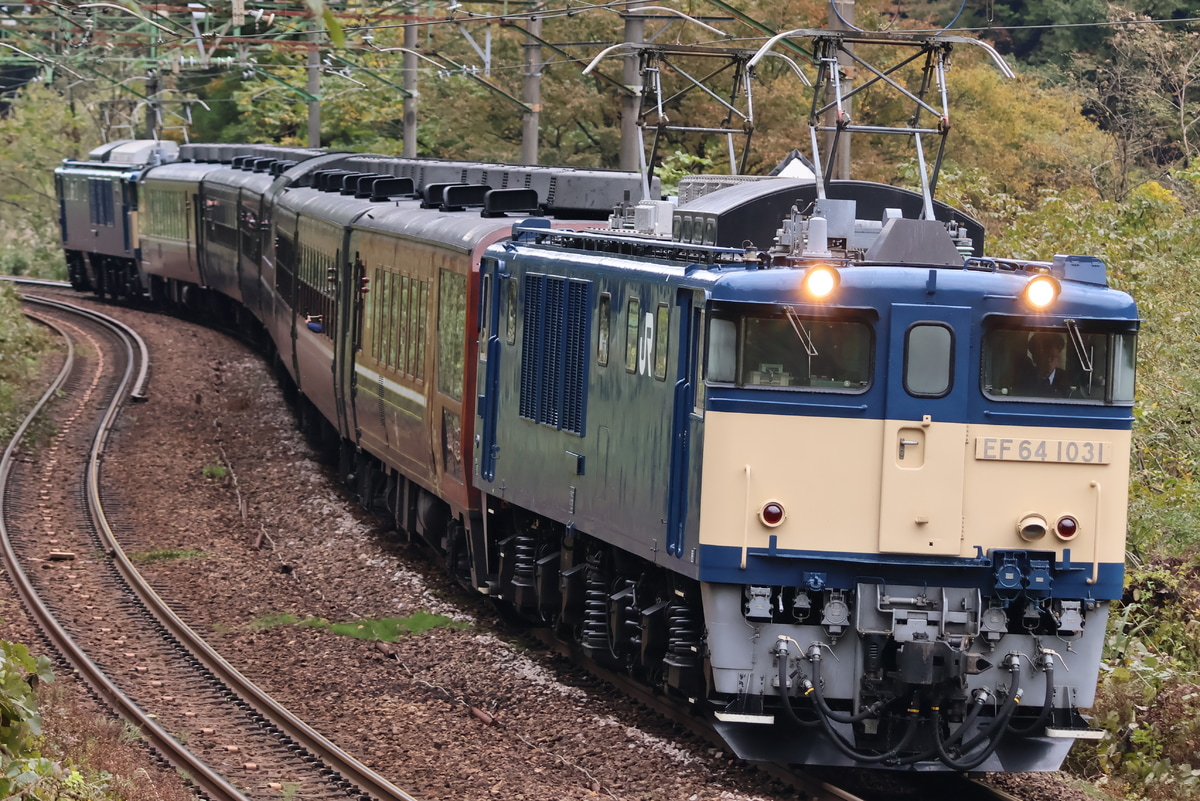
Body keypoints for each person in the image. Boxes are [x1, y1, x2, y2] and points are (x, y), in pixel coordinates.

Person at [1017, 332, 1071, 397]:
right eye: (1044, 357)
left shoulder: (1068, 380)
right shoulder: (1024, 381)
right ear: (1035, 358)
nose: (1049, 360)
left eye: (1052, 356)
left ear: (1058, 359)